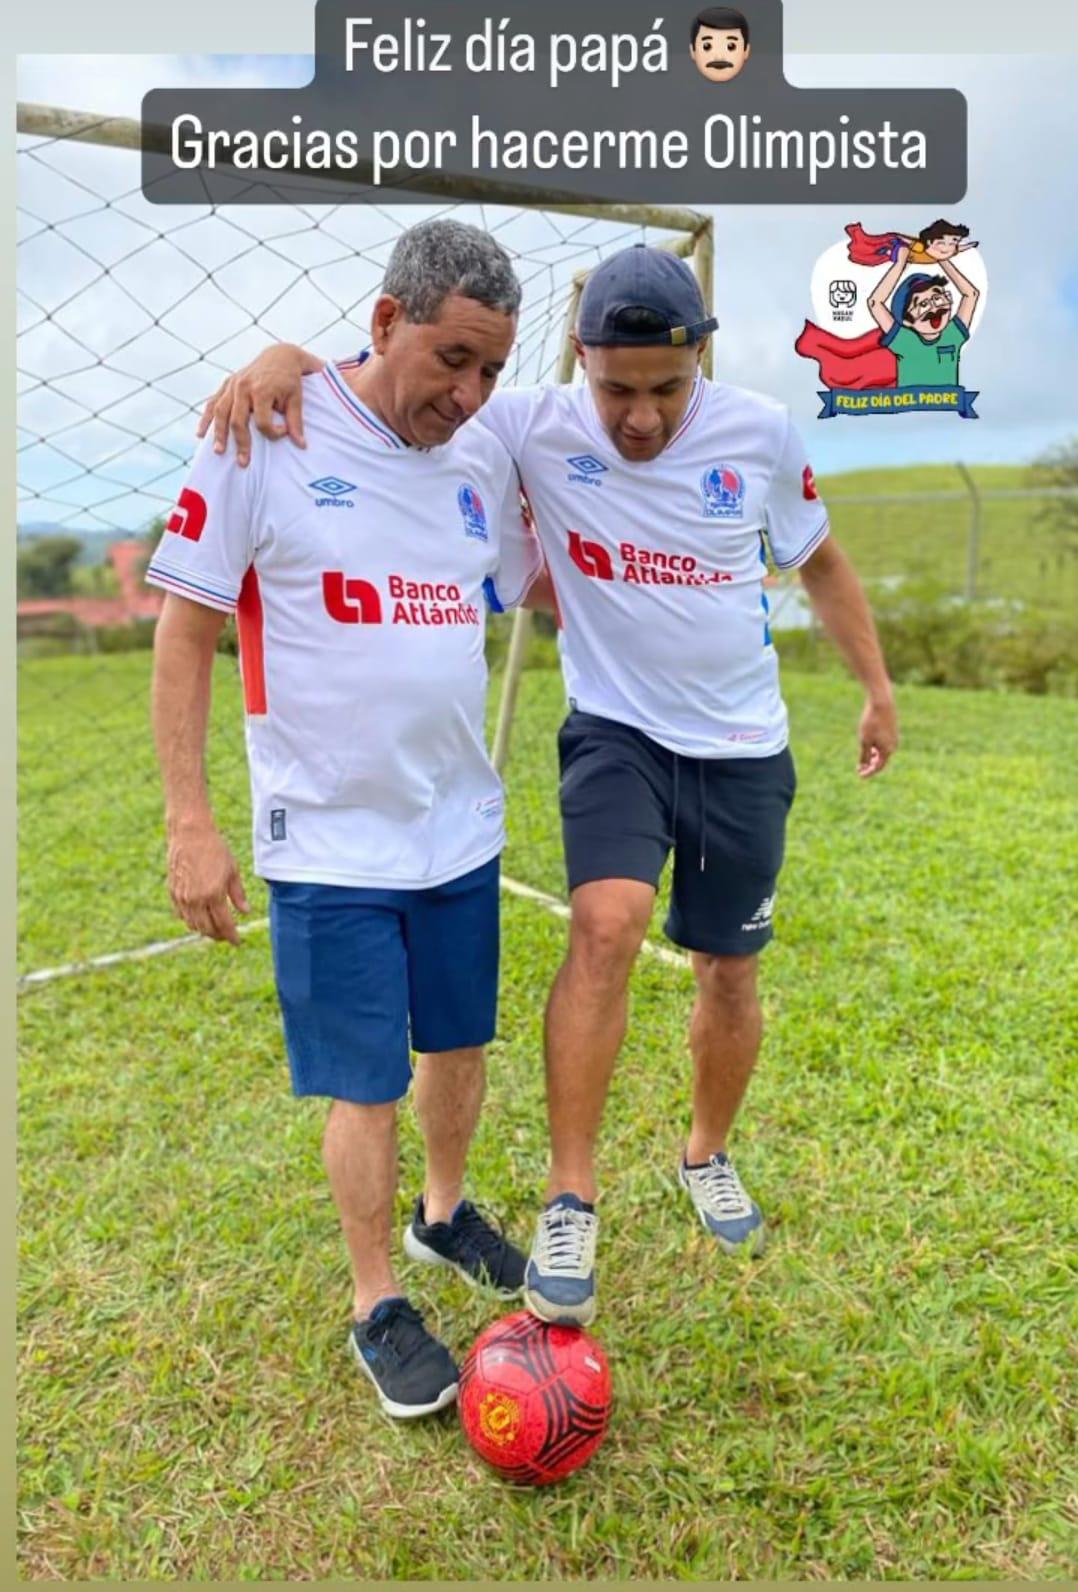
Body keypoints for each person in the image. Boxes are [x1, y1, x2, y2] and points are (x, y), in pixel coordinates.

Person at [199, 243, 899, 1329]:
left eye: (665, 389)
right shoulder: (526, 419)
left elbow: (819, 559)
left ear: (700, 363)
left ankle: (704, 1152)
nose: (638, 416)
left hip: (742, 743)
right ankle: (570, 1191)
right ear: (577, 362)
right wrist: (281, 357)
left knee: (729, 968)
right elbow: (387, 378)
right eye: (614, 387)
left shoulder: (758, 432)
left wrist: (877, 689)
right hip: (612, 732)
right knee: (606, 922)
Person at [149, 220, 544, 1419]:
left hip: (458, 828)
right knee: (363, 1080)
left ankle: (441, 1215)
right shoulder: (263, 433)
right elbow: (184, 630)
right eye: (451, 360)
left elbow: (543, 567)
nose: (468, 395)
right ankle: (378, 1299)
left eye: (491, 370)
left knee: (460, 1044)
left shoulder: (478, 461)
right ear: (383, 325)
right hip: (328, 839)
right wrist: (189, 820)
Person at [867, 243, 980, 388]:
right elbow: (875, 303)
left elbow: (971, 294)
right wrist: (900, 264)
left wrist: (941, 258)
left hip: (947, 407)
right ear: (907, 321)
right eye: (923, 305)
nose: (934, 309)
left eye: (938, 299)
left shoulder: (953, 334)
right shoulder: (904, 341)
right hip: (909, 407)